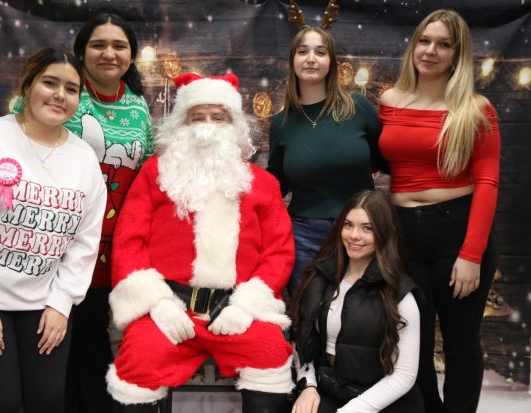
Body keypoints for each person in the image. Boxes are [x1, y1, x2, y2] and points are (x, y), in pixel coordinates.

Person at [107, 72, 295, 412]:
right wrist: (157, 303)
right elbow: (128, 242)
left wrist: (245, 306)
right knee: (138, 362)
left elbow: (279, 251)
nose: (207, 126)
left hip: (236, 311)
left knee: (270, 354)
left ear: (234, 125)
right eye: (198, 117)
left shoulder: (263, 184)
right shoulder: (154, 173)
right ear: (182, 124)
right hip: (170, 309)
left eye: (218, 117)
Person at [0, 48, 106, 413]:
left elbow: (85, 242)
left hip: (41, 301)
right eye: (49, 82)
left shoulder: (84, 159)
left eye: (71, 89)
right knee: (3, 404)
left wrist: (62, 303)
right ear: (28, 86)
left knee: (46, 402)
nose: (60, 94)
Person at [378, 9, 501, 413]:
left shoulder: (475, 108)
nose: (430, 51)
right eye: (425, 41)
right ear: (414, 44)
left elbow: (486, 182)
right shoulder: (389, 101)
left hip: (456, 230)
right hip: (403, 235)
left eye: (443, 44)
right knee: (413, 339)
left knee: (462, 340)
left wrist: (471, 255)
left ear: (457, 54)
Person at [64, 13, 154, 413]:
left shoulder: (138, 107)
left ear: (131, 55)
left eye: (119, 45)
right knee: (55, 336)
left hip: (112, 244)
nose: (109, 53)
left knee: (92, 337)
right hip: (57, 239)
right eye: (99, 44)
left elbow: (148, 171)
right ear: (82, 50)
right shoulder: (61, 92)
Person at [267, 26, 387, 296]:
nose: (311, 58)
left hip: (362, 230)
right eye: (303, 51)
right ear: (292, 61)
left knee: (363, 314)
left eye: (320, 52)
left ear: (331, 62)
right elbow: (275, 185)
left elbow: (389, 162)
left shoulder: (357, 108)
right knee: (308, 315)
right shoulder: (281, 123)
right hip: (304, 236)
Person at [291, 190, 424, 413]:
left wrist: (351, 411)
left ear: (385, 232)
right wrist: (308, 386)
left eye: (367, 228)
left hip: (384, 400)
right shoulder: (320, 277)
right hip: (330, 388)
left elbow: (404, 376)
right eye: (348, 225)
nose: (354, 235)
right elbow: (302, 342)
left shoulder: (401, 295)